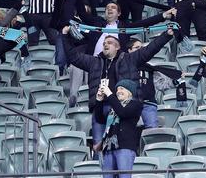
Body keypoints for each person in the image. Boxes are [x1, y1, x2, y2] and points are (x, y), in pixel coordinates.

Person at [61, 25, 174, 156]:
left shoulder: (129, 59)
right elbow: (73, 57)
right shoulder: (94, 62)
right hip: (99, 109)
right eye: (104, 43)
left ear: (118, 47)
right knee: (99, 145)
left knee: (122, 145)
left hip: (121, 109)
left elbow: (149, 50)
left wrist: (167, 35)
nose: (105, 45)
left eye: (109, 43)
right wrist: (64, 35)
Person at [94, 79, 142, 178]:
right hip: (108, 148)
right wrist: (99, 99)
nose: (118, 91)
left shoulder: (135, 104)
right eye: (117, 89)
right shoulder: (113, 109)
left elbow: (123, 113)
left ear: (130, 92)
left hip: (125, 147)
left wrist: (109, 93)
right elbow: (99, 118)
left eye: (122, 88)